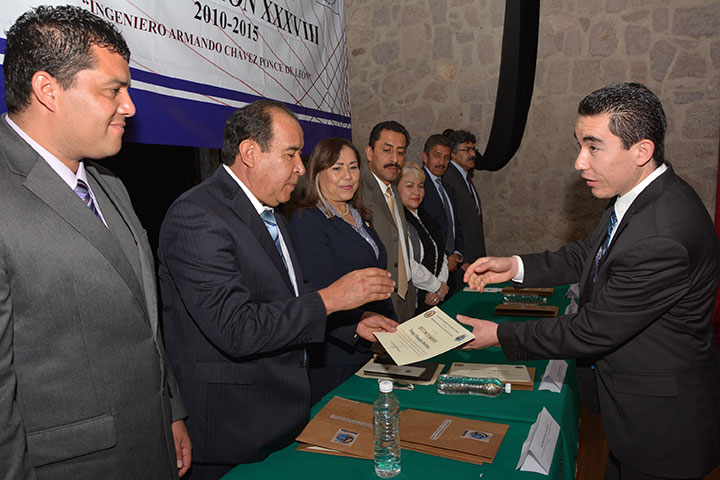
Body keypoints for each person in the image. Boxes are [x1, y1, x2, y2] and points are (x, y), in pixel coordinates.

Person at [461, 83, 720, 479]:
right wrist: (515, 266)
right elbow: (591, 253)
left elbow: (591, 330)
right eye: (579, 145)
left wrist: (499, 335)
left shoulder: (661, 235)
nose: (579, 162)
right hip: (635, 416)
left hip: (662, 428)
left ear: (641, 151)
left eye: (593, 147)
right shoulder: (642, 194)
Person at [158, 100, 396, 479]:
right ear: (250, 152)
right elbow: (237, 328)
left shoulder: (271, 210)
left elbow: (291, 293)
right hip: (234, 427)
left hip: (282, 414)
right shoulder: (198, 215)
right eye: (291, 154)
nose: (301, 167)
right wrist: (332, 298)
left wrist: (351, 321)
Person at [0, 5, 191, 478]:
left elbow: (142, 318)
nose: (129, 107)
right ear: (48, 90)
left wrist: (170, 410)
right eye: (114, 90)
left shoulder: (109, 185)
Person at [289, 138, 398, 404]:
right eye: (337, 168)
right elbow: (316, 292)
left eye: (353, 167)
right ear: (317, 173)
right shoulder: (307, 220)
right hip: (336, 356)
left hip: (370, 346)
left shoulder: (360, 215)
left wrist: (387, 334)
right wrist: (357, 328)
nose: (348, 176)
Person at [361, 121, 416, 322]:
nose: (395, 159)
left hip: (405, 298)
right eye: (387, 150)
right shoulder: (357, 192)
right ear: (369, 152)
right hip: (377, 303)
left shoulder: (393, 191)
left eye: (400, 152)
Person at [397, 162, 450, 313]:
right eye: (409, 186)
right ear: (396, 188)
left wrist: (441, 285)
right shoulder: (398, 221)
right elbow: (408, 264)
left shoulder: (427, 218)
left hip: (435, 295)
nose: (416, 192)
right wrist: (436, 286)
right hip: (410, 302)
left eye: (420, 186)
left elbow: (441, 254)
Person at [419, 133, 465, 293]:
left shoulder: (449, 189)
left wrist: (457, 254)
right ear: (425, 157)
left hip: (452, 270)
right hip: (430, 271)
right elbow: (423, 230)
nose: (442, 162)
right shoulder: (418, 187)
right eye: (437, 156)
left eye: (446, 157)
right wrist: (445, 258)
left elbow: (455, 226)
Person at [443, 129, 486, 264]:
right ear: (453, 154)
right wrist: (460, 258)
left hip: (474, 254)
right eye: (467, 150)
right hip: (462, 259)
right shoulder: (448, 178)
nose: (473, 154)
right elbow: (451, 223)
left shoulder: (463, 177)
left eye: (473, 150)